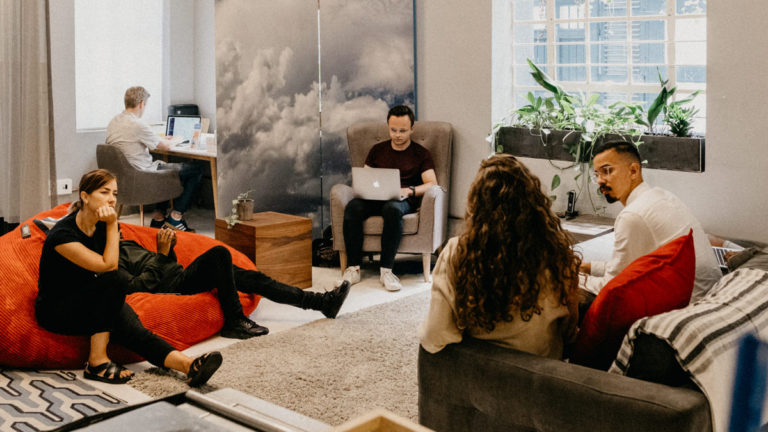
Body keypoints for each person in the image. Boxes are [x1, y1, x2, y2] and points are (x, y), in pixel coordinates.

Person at [36, 169, 222, 386]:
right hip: (57, 309)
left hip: (91, 298)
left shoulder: (100, 226)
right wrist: (113, 225)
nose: (112, 199)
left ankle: (189, 366)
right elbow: (109, 266)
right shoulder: (63, 235)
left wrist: (109, 227)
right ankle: (96, 363)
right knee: (114, 281)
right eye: (104, 192)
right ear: (85, 197)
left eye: (114, 193)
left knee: (133, 329)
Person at [419, 155, 580, 359]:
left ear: (475, 203)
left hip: (483, 373)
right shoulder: (557, 249)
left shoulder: (458, 250)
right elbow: (568, 330)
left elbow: (435, 336)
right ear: (534, 201)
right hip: (545, 374)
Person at [118, 228, 351, 338]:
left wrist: (166, 252)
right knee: (219, 253)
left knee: (254, 279)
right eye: (113, 229)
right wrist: (161, 254)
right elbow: (139, 287)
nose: (119, 231)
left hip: (180, 275)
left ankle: (320, 302)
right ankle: (235, 320)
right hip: (173, 289)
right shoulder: (110, 261)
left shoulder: (127, 243)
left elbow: (163, 265)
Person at [581, 140, 721, 300]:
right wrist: (588, 268)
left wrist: (570, 278)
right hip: (707, 292)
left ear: (633, 170)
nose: (600, 181)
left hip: (689, 304)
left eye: (607, 171)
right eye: (597, 174)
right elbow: (627, 268)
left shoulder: (633, 215)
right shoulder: (661, 196)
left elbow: (611, 286)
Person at [341, 105, 438, 291]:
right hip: (375, 198)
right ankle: (353, 269)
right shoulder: (377, 150)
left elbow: (432, 184)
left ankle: (386, 270)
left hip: (402, 200)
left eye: (402, 130)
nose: (398, 135)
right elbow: (366, 177)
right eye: (393, 130)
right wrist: (364, 189)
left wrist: (409, 190)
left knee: (391, 209)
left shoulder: (421, 154)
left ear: (412, 129)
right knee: (353, 207)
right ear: (388, 127)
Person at [106, 86, 202, 232]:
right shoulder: (137, 124)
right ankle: (176, 218)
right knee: (195, 170)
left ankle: (159, 218)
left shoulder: (114, 122)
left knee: (163, 167)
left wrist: (162, 139)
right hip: (143, 175)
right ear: (141, 104)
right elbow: (164, 147)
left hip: (126, 178)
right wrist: (177, 139)